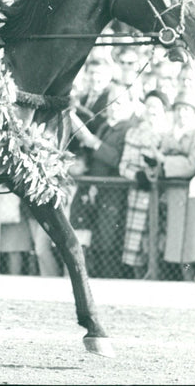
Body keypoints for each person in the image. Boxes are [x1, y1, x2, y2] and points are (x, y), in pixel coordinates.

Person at [70, 86, 137, 278]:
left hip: (115, 193)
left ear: (130, 105)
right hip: (98, 192)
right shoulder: (105, 126)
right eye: (110, 102)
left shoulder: (129, 129)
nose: (113, 107)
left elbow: (121, 159)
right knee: (97, 242)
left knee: (110, 243)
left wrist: (95, 143)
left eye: (119, 103)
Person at [157, 89, 195, 281]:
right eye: (179, 109)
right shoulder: (168, 134)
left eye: (187, 109)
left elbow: (193, 165)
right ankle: (187, 282)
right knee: (179, 244)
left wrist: (165, 160)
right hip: (175, 196)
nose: (182, 114)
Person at [118, 90, 170, 279]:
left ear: (164, 109)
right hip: (140, 194)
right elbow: (123, 166)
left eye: (155, 106)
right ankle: (140, 281)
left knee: (160, 241)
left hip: (164, 196)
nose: (151, 110)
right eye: (148, 106)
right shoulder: (134, 133)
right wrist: (137, 175)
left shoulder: (170, 132)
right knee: (137, 245)